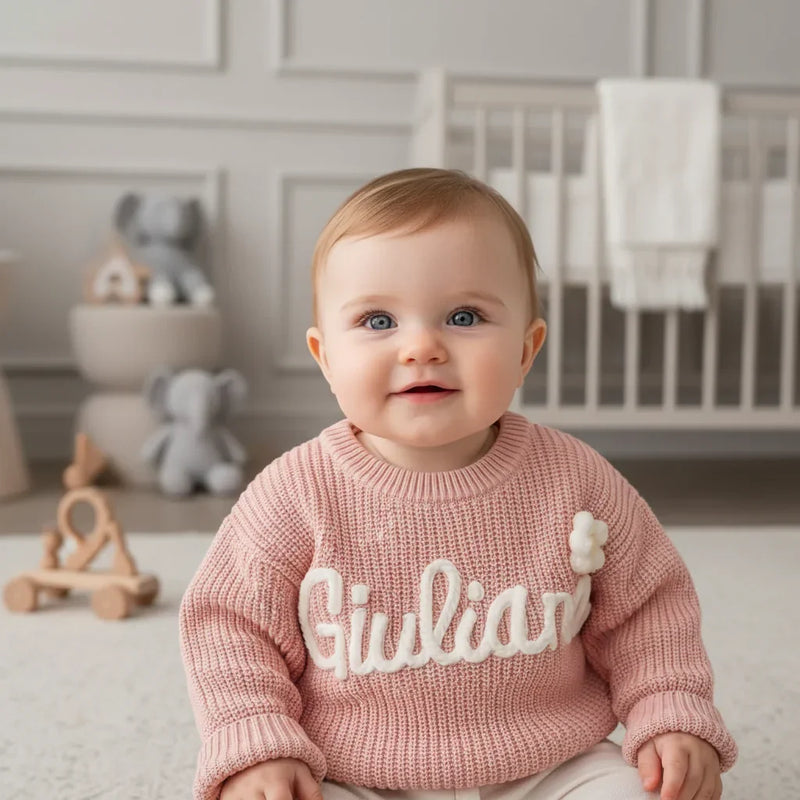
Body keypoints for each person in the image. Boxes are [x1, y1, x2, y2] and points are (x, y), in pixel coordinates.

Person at [179, 168, 737, 800]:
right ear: (326, 356)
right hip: (349, 769)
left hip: (551, 762)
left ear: (527, 349)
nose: (421, 346)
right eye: (378, 321)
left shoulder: (575, 478)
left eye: (465, 316)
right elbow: (228, 625)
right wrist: (256, 742)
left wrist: (669, 710)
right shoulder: (296, 492)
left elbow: (649, 608)